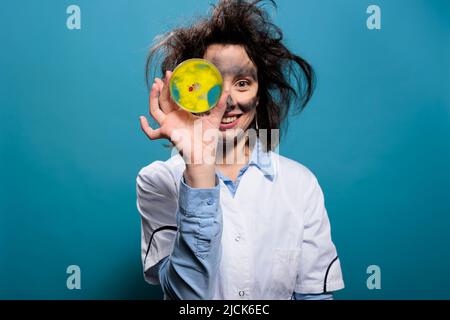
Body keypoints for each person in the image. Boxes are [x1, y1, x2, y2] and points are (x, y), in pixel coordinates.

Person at [136, 0, 344, 300]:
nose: (227, 100)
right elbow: (187, 299)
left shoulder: (301, 185)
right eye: (212, 82)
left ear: (259, 96)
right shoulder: (156, 182)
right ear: (187, 92)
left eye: (243, 83)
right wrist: (198, 166)